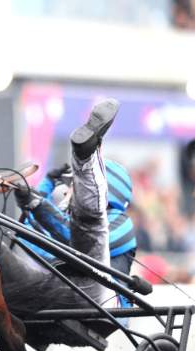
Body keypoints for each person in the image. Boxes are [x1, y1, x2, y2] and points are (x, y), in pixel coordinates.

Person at [11, 98, 137, 308]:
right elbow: (31, 240)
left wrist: (37, 204)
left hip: (105, 301)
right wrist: (42, 188)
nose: (68, 191)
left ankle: (85, 155)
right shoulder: (72, 222)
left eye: (73, 186)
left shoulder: (121, 222)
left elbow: (79, 247)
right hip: (65, 294)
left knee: (89, 229)